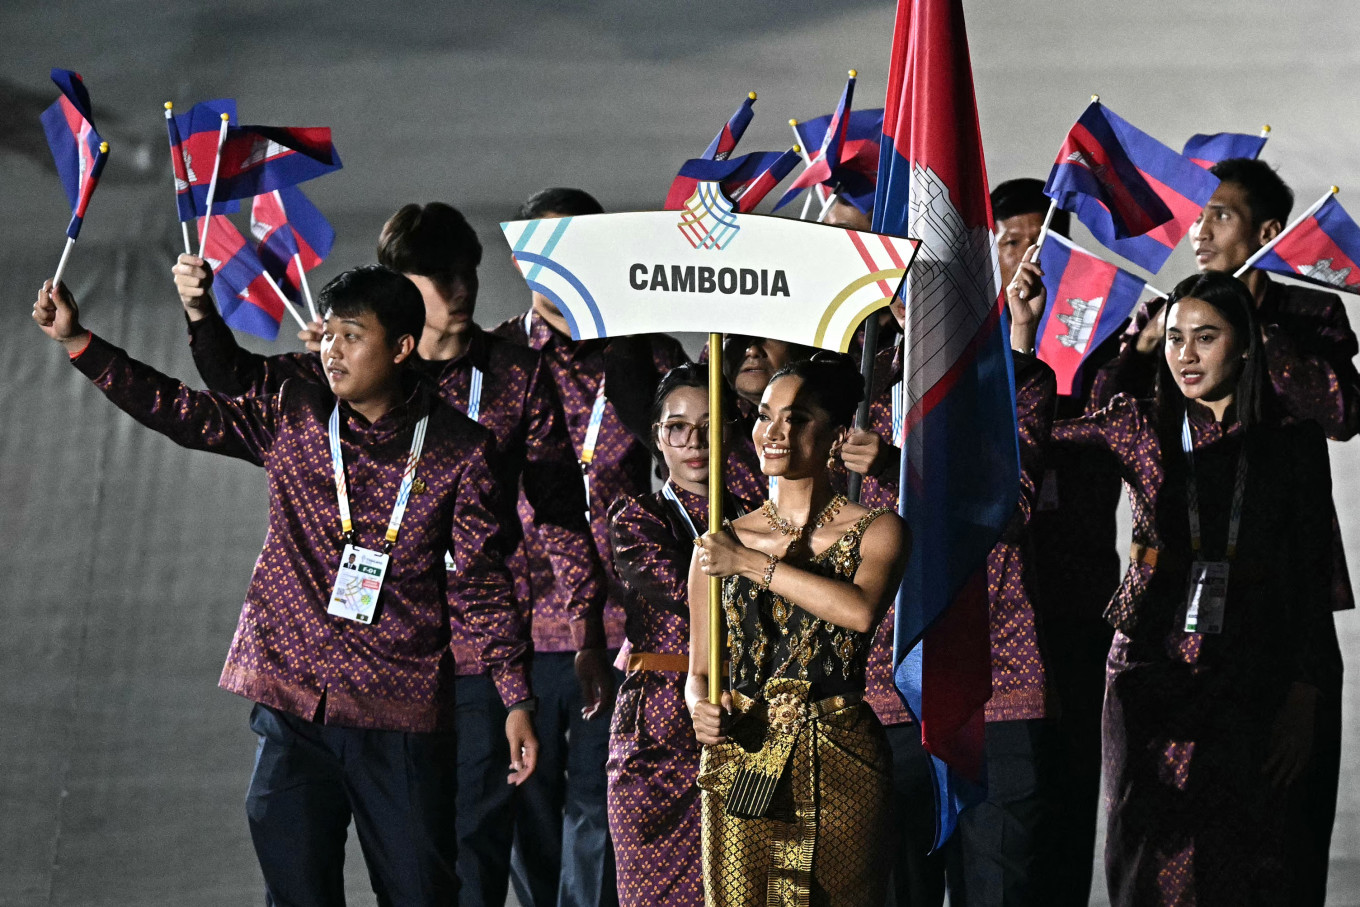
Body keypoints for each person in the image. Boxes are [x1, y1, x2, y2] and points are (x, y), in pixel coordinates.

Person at [32, 267, 538, 906]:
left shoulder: (460, 450)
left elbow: (482, 584)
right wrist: (80, 342)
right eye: (329, 335)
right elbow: (182, 411)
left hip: (398, 712)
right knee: (295, 888)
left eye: (352, 336)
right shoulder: (294, 413)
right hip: (293, 704)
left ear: (402, 347)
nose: (333, 351)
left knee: (420, 892)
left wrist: (515, 697)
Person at [174, 202, 608, 907]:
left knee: (467, 856)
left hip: (475, 654)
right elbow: (233, 381)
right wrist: (317, 350)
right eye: (439, 276)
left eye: (466, 272)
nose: (460, 289)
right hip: (375, 660)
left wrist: (579, 628)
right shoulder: (347, 380)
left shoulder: (513, 374)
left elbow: (558, 510)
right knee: (318, 853)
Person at [1014, 268, 1341, 905]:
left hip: (1257, 664)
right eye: (1174, 338)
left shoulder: (1292, 440)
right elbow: (1026, 437)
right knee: (1149, 845)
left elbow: (1310, 575)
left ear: (1245, 344)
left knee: (1250, 855)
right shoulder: (1137, 423)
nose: (1185, 355)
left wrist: (1305, 696)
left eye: (1205, 337)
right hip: (1150, 661)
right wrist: (1023, 336)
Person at [1090, 159, 1355, 904]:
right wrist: (1146, 344)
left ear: (1267, 232)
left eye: (1221, 216)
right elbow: (1097, 418)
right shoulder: (1168, 322)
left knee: (1271, 840)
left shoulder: (1305, 317)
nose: (1199, 231)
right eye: (1198, 216)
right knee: (1155, 848)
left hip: (1278, 614)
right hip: (1161, 626)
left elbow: (1342, 411)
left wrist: (1250, 325)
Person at [494, 187, 689, 907]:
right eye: (548, 247)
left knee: (601, 807)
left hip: (621, 622)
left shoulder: (648, 356)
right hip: (516, 622)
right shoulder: (498, 358)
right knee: (525, 808)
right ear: (523, 258)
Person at [687, 353, 910, 906]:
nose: (775, 432)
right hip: (744, 754)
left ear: (836, 432)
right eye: (766, 416)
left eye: (798, 418)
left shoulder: (878, 529)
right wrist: (700, 708)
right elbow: (700, 670)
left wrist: (749, 564)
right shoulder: (720, 542)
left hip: (842, 751)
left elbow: (860, 611)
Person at [994, 176, 1117, 907]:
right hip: (995, 606)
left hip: (1074, 599)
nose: (1026, 257)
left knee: (1070, 784)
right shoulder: (962, 350)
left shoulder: (1105, 342)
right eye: (1011, 241)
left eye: (1041, 243)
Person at [606, 365, 757, 907]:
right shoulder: (638, 519)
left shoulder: (758, 519)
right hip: (658, 725)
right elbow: (690, 594)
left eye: (710, 426)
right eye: (677, 427)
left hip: (744, 714)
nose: (694, 442)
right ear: (657, 436)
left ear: (732, 432)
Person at [836, 300, 946, 907]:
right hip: (871, 684)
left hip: (973, 664)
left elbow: (1010, 503)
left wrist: (896, 465)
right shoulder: (853, 384)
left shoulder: (987, 373)